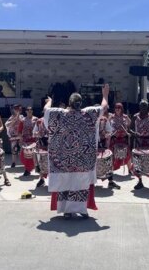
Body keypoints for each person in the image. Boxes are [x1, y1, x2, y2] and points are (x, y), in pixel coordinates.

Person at [43, 84, 109, 220]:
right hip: (82, 161)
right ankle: (81, 210)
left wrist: (49, 101)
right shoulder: (89, 113)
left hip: (63, 161)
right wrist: (105, 95)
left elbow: (46, 110)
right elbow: (104, 107)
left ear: (69, 103)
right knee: (81, 185)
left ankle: (66, 210)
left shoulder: (59, 114)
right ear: (81, 103)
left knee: (65, 183)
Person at [98, 110, 120, 189]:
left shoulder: (104, 120)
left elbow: (109, 131)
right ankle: (89, 183)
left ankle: (110, 181)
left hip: (103, 143)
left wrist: (106, 135)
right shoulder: (89, 119)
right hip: (92, 144)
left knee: (108, 161)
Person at [109, 103, 133, 174]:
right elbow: (108, 126)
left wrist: (127, 131)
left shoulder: (125, 117)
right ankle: (111, 170)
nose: (117, 109)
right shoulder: (111, 117)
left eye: (119, 108)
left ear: (121, 109)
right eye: (116, 108)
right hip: (115, 139)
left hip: (123, 139)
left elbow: (130, 124)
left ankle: (129, 170)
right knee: (113, 155)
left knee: (128, 154)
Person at [18, 106, 38, 176]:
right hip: (25, 141)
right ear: (25, 111)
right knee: (24, 156)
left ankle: (28, 169)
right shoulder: (22, 120)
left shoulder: (36, 119)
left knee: (33, 155)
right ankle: (27, 168)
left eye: (31, 109)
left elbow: (39, 129)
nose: (29, 111)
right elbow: (20, 131)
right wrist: (20, 140)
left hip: (34, 141)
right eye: (28, 110)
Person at [5, 104, 23, 168]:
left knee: (21, 149)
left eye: (18, 109)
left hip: (20, 135)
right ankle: (13, 162)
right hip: (13, 135)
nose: (17, 110)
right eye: (16, 109)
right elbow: (7, 125)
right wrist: (15, 118)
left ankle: (23, 162)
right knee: (14, 149)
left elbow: (23, 123)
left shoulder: (22, 117)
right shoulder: (12, 117)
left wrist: (18, 116)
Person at [33, 113, 48, 188]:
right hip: (41, 144)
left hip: (52, 144)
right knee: (41, 162)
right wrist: (38, 133)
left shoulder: (54, 120)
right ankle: (41, 179)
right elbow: (34, 133)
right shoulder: (39, 121)